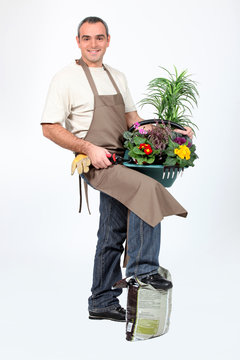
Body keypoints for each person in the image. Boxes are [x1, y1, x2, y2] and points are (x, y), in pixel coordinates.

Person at [41, 16, 193, 322]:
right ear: (78, 41)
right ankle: (142, 271)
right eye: (87, 38)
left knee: (111, 230)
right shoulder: (66, 77)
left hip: (124, 159)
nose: (93, 44)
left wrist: (174, 132)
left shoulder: (117, 76)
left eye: (99, 38)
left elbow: (133, 123)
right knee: (147, 189)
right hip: (95, 159)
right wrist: (88, 148)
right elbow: (49, 127)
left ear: (108, 40)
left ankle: (101, 300)